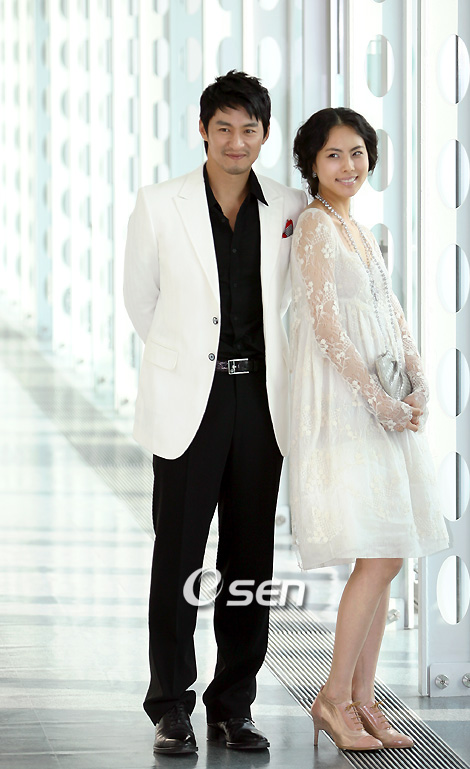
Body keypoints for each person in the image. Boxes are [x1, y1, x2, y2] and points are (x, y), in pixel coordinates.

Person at [124, 70, 307, 756]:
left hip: (260, 401)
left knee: (249, 559)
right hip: (189, 403)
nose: (236, 142)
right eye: (223, 128)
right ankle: (170, 704)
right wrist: (189, 365)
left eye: (248, 130)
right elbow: (141, 300)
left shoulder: (288, 205)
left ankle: (234, 704)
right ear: (202, 130)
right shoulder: (159, 203)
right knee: (178, 552)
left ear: (265, 134)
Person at [289, 107, 449, 752]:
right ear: (311, 163)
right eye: (333, 154)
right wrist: (378, 401)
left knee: (389, 551)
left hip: (381, 402)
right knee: (380, 552)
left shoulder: (358, 228)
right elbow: (326, 328)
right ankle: (333, 697)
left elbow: (392, 314)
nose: (348, 165)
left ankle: (361, 695)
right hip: (346, 406)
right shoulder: (315, 227)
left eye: (356, 152)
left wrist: (416, 379)